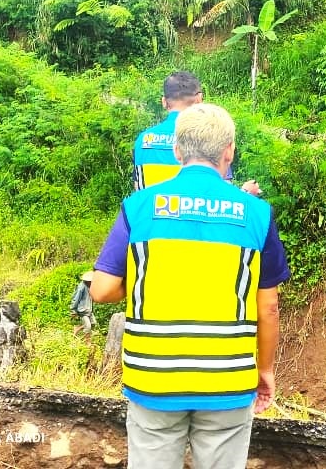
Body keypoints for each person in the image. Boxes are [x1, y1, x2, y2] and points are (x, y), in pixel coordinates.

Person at [90, 103, 291, 469]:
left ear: (178, 151)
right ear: (229, 151)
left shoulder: (139, 207)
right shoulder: (256, 213)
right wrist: (266, 371)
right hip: (228, 380)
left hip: (153, 377)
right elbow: (269, 307)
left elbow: (102, 290)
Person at [132, 71, 259, 195]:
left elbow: (140, 192)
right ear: (199, 99)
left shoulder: (143, 140)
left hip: (151, 214)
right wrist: (246, 192)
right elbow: (221, 197)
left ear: (164, 102)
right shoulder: (209, 135)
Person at [70, 271, 97, 337]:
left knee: (93, 323)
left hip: (89, 309)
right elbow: (76, 299)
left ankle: (77, 328)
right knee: (88, 327)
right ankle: (87, 341)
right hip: (82, 310)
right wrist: (73, 310)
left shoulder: (90, 286)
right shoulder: (81, 287)